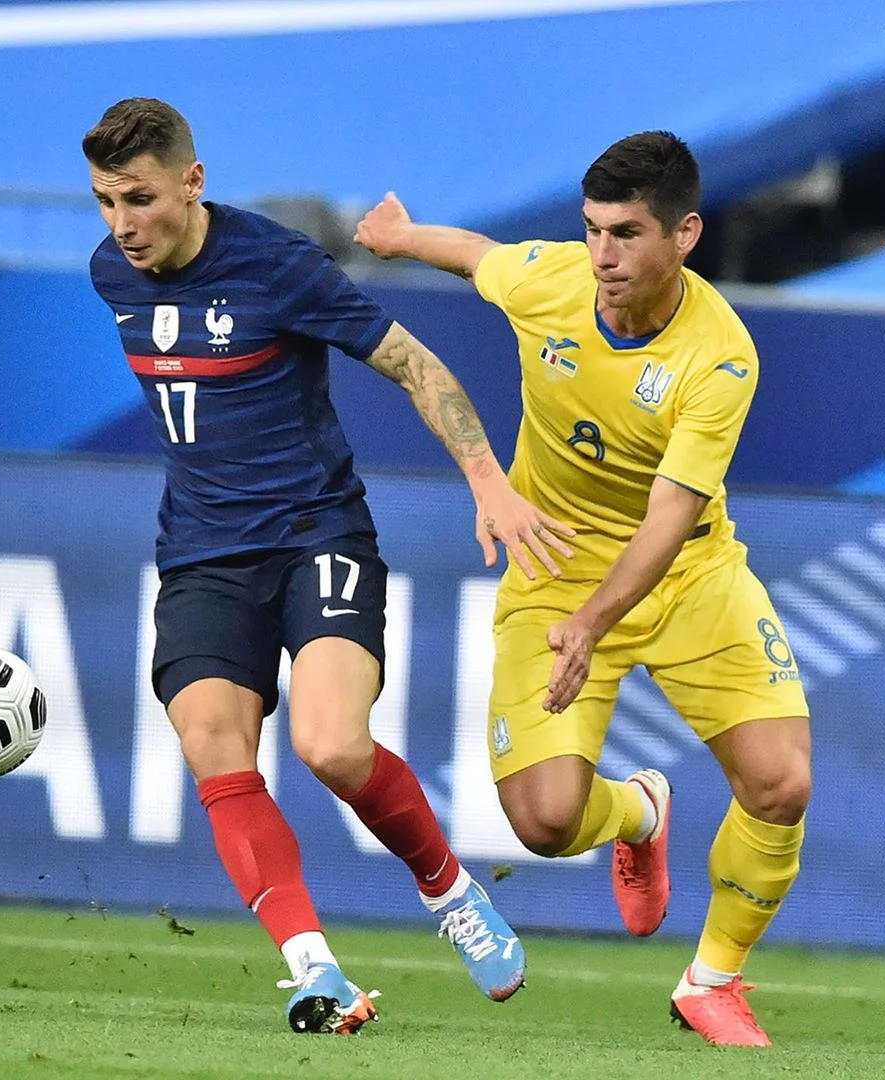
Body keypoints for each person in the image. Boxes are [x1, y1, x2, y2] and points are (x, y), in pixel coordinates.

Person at [82, 97, 575, 1036]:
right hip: (202, 555)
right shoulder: (113, 273)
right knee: (213, 743)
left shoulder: (278, 266)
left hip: (318, 535)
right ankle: (316, 972)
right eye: (106, 201)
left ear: (193, 182)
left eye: (139, 199)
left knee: (332, 746)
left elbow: (416, 366)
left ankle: (449, 890)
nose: (122, 224)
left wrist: (488, 481)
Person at [355, 131, 811, 1048]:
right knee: (546, 821)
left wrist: (595, 624)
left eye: (627, 234)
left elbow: (670, 517)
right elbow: (478, 257)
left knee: (781, 783)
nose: (603, 255)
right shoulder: (553, 279)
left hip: (687, 574)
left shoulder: (720, 356)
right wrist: (401, 238)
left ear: (685, 234)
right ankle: (641, 810)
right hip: (555, 566)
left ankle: (712, 981)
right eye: (593, 229)